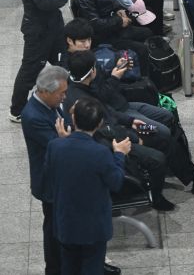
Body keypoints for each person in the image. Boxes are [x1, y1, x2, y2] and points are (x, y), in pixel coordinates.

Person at [44, 96, 129, 275]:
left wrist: (62, 140)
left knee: (68, 266)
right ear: (99, 123)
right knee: (92, 267)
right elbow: (116, 182)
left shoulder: (54, 146)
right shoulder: (100, 153)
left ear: (73, 119)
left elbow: (49, 177)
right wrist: (120, 155)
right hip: (93, 227)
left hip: (65, 223)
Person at [9, 0, 84, 123]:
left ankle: (69, 100)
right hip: (39, 29)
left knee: (64, 61)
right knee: (30, 70)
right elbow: (43, 1)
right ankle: (17, 110)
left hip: (52, 26)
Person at [20, 66, 88, 275]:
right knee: (54, 231)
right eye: (61, 93)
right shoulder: (33, 116)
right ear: (46, 92)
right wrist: (69, 139)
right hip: (50, 182)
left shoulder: (51, 104)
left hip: (62, 178)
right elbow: (56, 147)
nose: (65, 97)